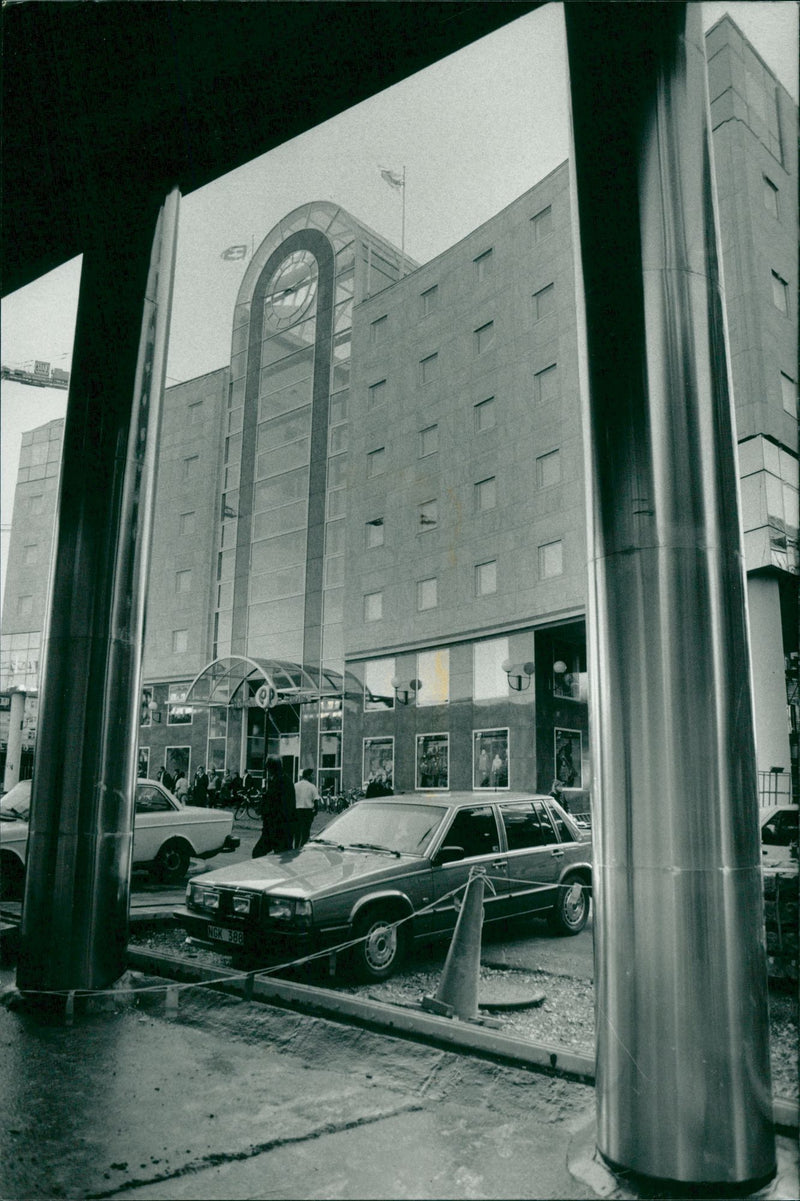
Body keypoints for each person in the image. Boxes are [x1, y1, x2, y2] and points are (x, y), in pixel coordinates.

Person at [252, 755, 295, 857]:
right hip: (278, 828)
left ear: (270, 768)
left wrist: (263, 809)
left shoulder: (280, 782)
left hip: (278, 828)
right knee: (261, 853)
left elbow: (276, 804)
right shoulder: (282, 780)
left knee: (259, 853)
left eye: (267, 768)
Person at [293, 767, 319, 847]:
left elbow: (291, 799)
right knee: (305, 833)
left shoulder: (295, 785)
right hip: (307, 812)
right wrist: (315, 811)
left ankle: (295, 848)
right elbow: (316, 800)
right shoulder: (312, 786)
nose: (313, 777)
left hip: (296, 811)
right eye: (312, 775)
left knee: (297, 833)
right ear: (308, 776)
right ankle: (302, 849)